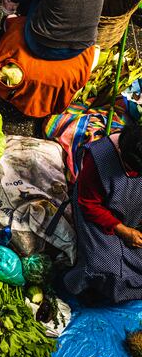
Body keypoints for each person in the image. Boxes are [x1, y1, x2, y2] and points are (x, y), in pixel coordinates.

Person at [64, 123, 142, 303]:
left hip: (134, 210)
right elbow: (88, 204)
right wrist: (123, 230)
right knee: (102, 266)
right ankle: (86, 290)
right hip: (99, 215)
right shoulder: (99, 161)